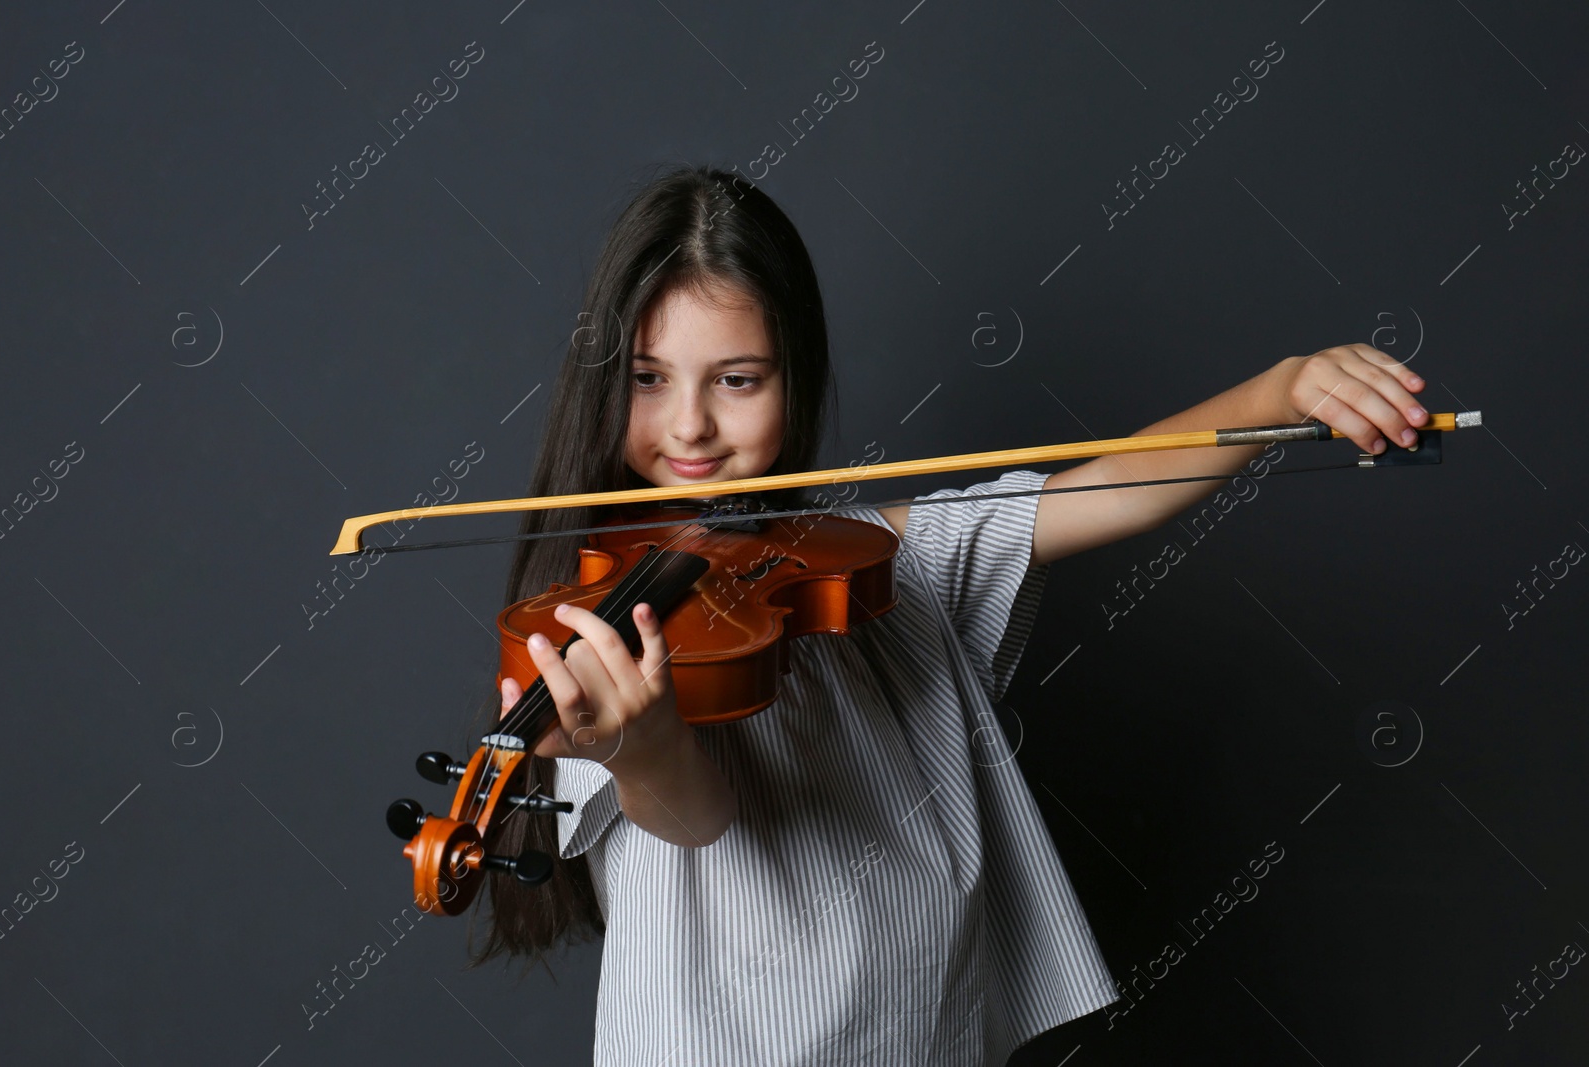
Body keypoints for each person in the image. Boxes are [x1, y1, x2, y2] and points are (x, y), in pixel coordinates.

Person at [466, 164, 1429, 1064]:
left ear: (793, 375)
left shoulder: (871, 562)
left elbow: (1105, 491)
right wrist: (642, 747)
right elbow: (692, 815)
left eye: (737, 378)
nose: (690, 426)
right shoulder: (591, 624)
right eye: (648, 377)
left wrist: (1282, 389)